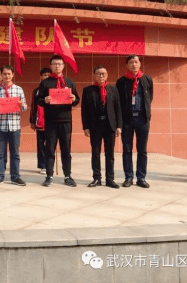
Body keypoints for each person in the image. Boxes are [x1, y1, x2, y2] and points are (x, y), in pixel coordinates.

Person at [36, 54, 80, 187]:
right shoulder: (45, 82)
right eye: (54, 64)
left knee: (66, 149)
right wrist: (44, 100)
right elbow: (38, 100)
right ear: (51, 66)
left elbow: (77, 100)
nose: (57, 66)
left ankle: (68, 175)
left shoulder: (70, 82)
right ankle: (49, 175)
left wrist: (73, 99)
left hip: (66, 120)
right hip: (50, 121)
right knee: (50, 148)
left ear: (63, 66)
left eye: (59, 64)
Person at [81, 65, 122, 189]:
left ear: (107, 75)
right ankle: (96, 178)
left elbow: (118, 109)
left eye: (103, 73)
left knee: (110, 154)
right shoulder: (88, 90)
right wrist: (85, 127)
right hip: (95, 125)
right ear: (94, 75)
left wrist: (119, 126)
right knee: (95, 153)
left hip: (110, 125)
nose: (101, 76)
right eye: (98, 73)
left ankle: (110, 179)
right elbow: (84, 110)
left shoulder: (113, 90)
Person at [116, 54, 153, 189]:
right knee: (127, 149)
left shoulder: (147, 79)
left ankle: (141, 177)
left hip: (142, 119)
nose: (134, 65)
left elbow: (150, 98)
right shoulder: (121, 81)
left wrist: (146, 113)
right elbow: (118, 102)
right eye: (131, 62)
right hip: (127, 119)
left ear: (140, 64)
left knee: (142, 150)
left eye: (136, 62)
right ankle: (128, 177)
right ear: (127, 65)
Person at [0, 65, 28, 186]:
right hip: (0, 126)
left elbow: (25, 107)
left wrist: (21, 105)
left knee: (15, 153)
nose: (6, 76)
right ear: (1, 75)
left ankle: (15, 177)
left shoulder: (18, 90)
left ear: (13, 75)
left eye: (9, 74)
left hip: (14, 126)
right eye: (4, 74)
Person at [30, 67, 51, 175]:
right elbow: (33, 106)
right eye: (44, 75)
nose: (46, 77)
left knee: (50, 144)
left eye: (48, 75)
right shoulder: (36, 91)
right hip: (39, 121)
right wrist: (32, 121)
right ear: (41, 77)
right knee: (40, 145)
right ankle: (42, 165)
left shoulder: (54, 89)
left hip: (51, 121)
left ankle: (49, 165)